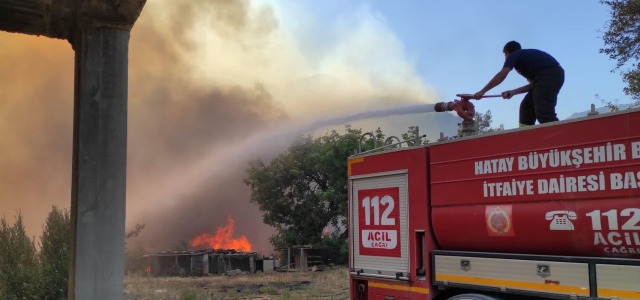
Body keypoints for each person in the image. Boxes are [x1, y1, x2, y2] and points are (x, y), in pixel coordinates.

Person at [473, 41, 565, 127]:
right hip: (550, 76)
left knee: (544, 113)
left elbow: (502, 75)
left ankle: (563, 137)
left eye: (505, 55)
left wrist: (482, 91)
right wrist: (512, 92)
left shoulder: (515, 55)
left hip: (551, 74)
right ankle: (526, 138)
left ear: (507, 52)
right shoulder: (527, 61)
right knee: (526, 108)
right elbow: (533, 86)